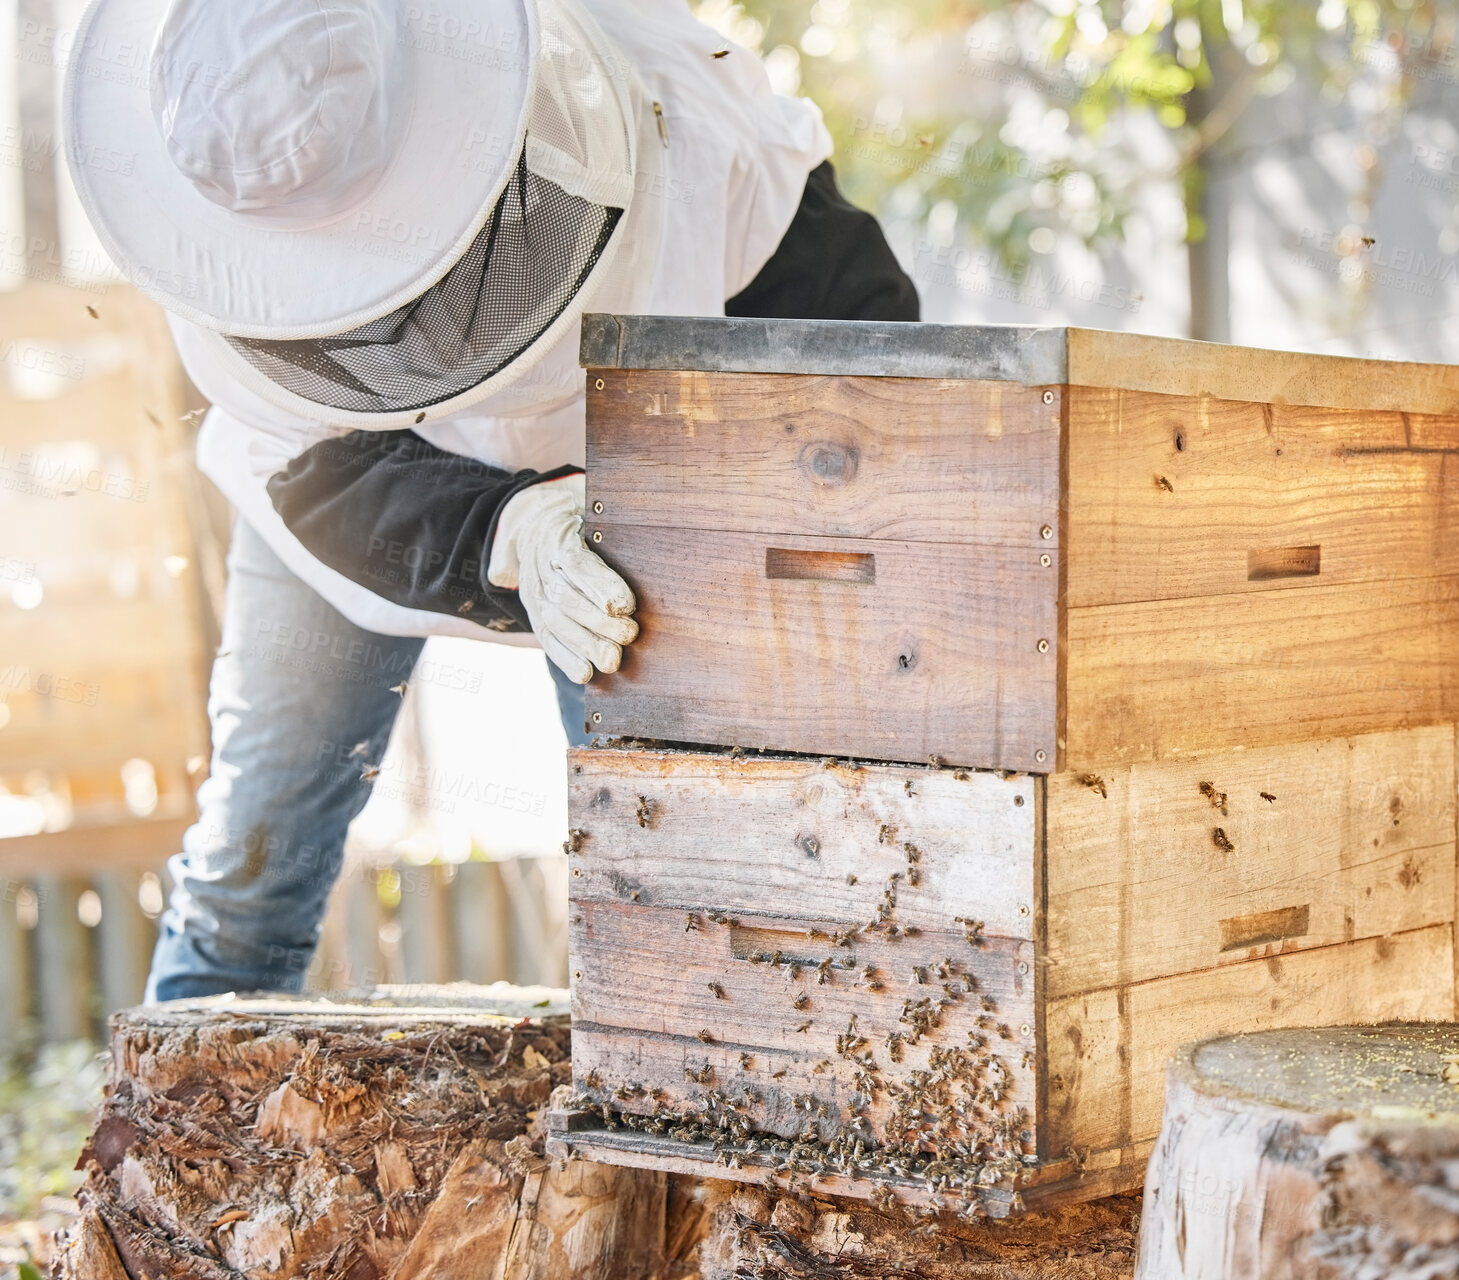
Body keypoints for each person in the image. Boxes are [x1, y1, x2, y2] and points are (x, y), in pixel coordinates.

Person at [62, 0, 917, 1000]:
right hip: (365, 502)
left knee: (671, 877)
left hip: (628, 519)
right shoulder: (222, 204)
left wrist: (709, 511)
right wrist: (506, 525)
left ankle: (693, 1110)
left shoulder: (676, 93)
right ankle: (165, 1154)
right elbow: (308, 467)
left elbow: (859, 352)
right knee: (252, 859)